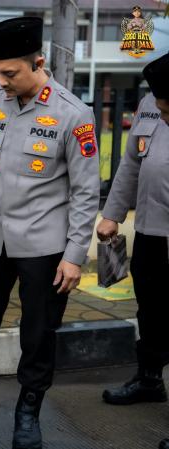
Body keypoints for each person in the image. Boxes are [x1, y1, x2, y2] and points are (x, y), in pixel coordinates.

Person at [0, 17, 100, 449]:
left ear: (38, 62)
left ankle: (28, 409)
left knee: (37, 334)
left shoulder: (73, 115)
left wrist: (75, 254)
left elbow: (85, 191)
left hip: (45, 247)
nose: (0, 81)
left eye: (10, 73)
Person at [97, 52, 169, 449]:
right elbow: (131, 163)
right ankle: (149, 379)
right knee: (150, 306)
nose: (161, 109)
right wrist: (112, 214)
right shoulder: (148, 104)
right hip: (151, 231)